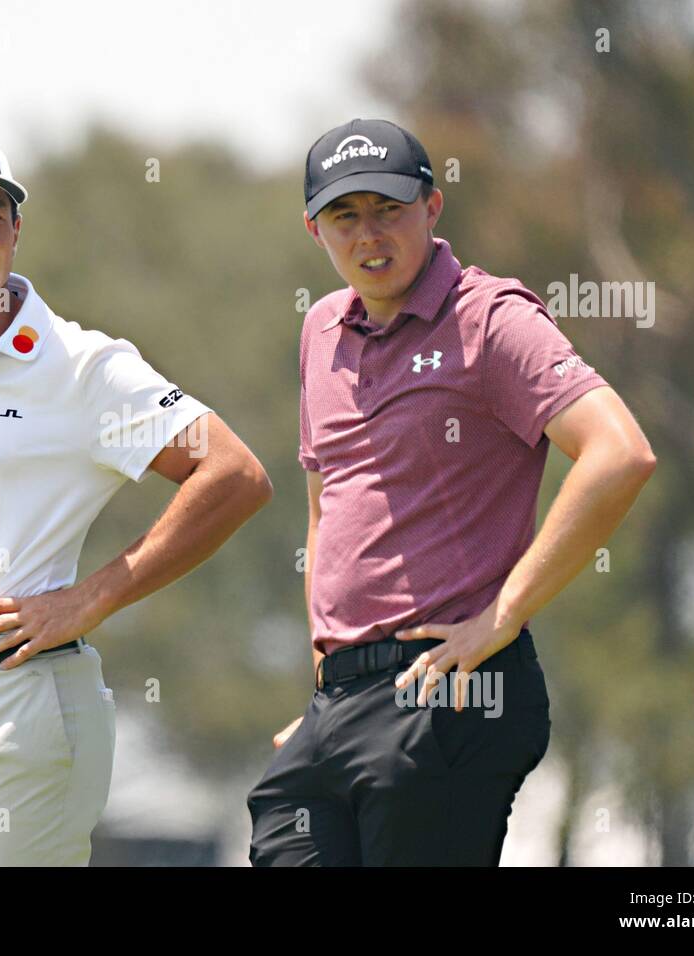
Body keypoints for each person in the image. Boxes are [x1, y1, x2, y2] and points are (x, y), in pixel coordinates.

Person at [0, 134, 272, 865]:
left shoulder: (82, 366)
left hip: (27, 711)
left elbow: (233, 473)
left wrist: (91, 598)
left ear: (15, 233)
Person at [247, 119, 656, 866]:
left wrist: (503, 614)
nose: (369, 234)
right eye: (346, 215)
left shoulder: (492, 319)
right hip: (341, 704)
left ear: (432, 208)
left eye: (389, 209)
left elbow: (619, 453)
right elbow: (327, 504)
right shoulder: (320, 331)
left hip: (450, 692)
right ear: (315, 229)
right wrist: (325, 683)